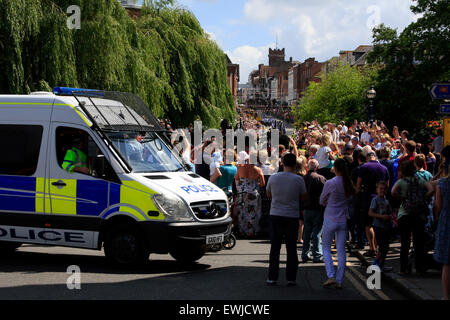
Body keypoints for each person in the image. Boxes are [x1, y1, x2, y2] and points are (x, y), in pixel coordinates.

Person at [266, 153, 307, 285]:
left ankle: (272, 277)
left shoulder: (273, 178)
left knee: (275, 248)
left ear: (282, 163)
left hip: (276, 214)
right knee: (291, 248)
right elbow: (303, 197)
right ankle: (291, 278)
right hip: (292, 216)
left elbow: (268, 194)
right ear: (295, 164)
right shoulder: (299, 180)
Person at [391, 160, 433, 275]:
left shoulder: (401, 181)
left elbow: (393, 191)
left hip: (404, 214)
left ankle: (403, 269)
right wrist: (423, 197)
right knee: (418, 242)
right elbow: (431, 189)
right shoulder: (420, 180)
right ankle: (419, 268)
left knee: (405, 242)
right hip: (418, 215)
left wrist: (402, 198)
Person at [320, 158, 354, 289]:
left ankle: (331, 276)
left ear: (336, 168)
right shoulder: (348, 182)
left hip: (330, 217)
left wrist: (327, 201)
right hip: (343, 219)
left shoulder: (330, 182)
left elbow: (322, 200)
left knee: (326, 247)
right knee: (341, 250)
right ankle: (339, 280)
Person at [356, 151, 390, 257]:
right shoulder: (384, 168)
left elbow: (358, 184)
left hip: (367, 198)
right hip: (381, 199)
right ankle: (379, 249)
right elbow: (387, 185)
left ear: (367, 158)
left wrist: (360, 191)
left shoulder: (364, 167)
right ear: (375, 157)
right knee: (380, 224)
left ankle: (372, 248)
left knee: (368, 225)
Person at [235, 151, 265, 238]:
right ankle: (252, 232)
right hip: (253, 193)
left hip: (242, 192)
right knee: (253, 212)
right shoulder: (258, 170)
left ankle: (242, 231)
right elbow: (263, 183)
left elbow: (236, 178)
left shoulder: (240, 167)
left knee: (242, 211)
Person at [301, 159, 326, 263]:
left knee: (306, 232)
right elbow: (326, 194)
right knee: (317, 232)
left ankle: (305, 255)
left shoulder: (303, 178)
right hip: (318, 208)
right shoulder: (321, 178)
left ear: (308, 167)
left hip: (306, 208)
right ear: (317, 167)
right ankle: (317, 255)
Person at [368, 181, 393, 272]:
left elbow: (390, 212)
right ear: (377, 190)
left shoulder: (386, 200)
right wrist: (382, 216)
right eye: (380, 188)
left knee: (385, 248)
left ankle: (381, 266)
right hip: (378, 227)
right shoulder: (375, 200)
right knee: (382, 248)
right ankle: (374, 265)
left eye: (384, 189)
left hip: (385, 227)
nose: (382, 190)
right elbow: (370, 213)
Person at [433, 168, 450, 300]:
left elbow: (438, 205)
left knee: (447, 262)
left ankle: (446, 296)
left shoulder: (442, 183)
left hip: (447, 222)